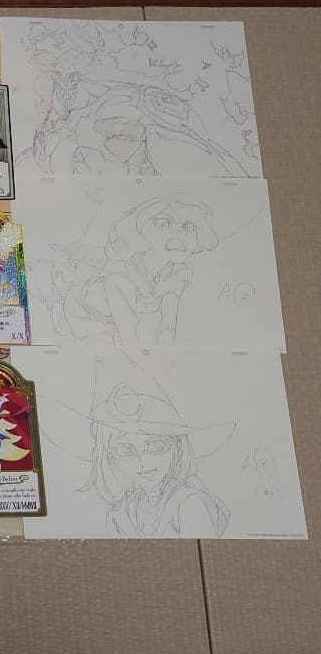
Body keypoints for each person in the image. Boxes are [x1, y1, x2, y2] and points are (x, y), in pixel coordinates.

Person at [54, 193, 219, 345]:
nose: (179, 234)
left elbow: (167, 325)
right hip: (84, 310)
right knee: (107, 351)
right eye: (164, 224)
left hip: (118, 318)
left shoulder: (178, 274)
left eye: (189, 227)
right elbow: (128, 334)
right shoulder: (121, 273)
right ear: (140, 229)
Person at [82, 383, 232, 538]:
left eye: (156, 445)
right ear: (110, 458)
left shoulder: (189, 502)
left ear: (177, 446)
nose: (143, 461)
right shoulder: (121, 514)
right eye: (125, 450)